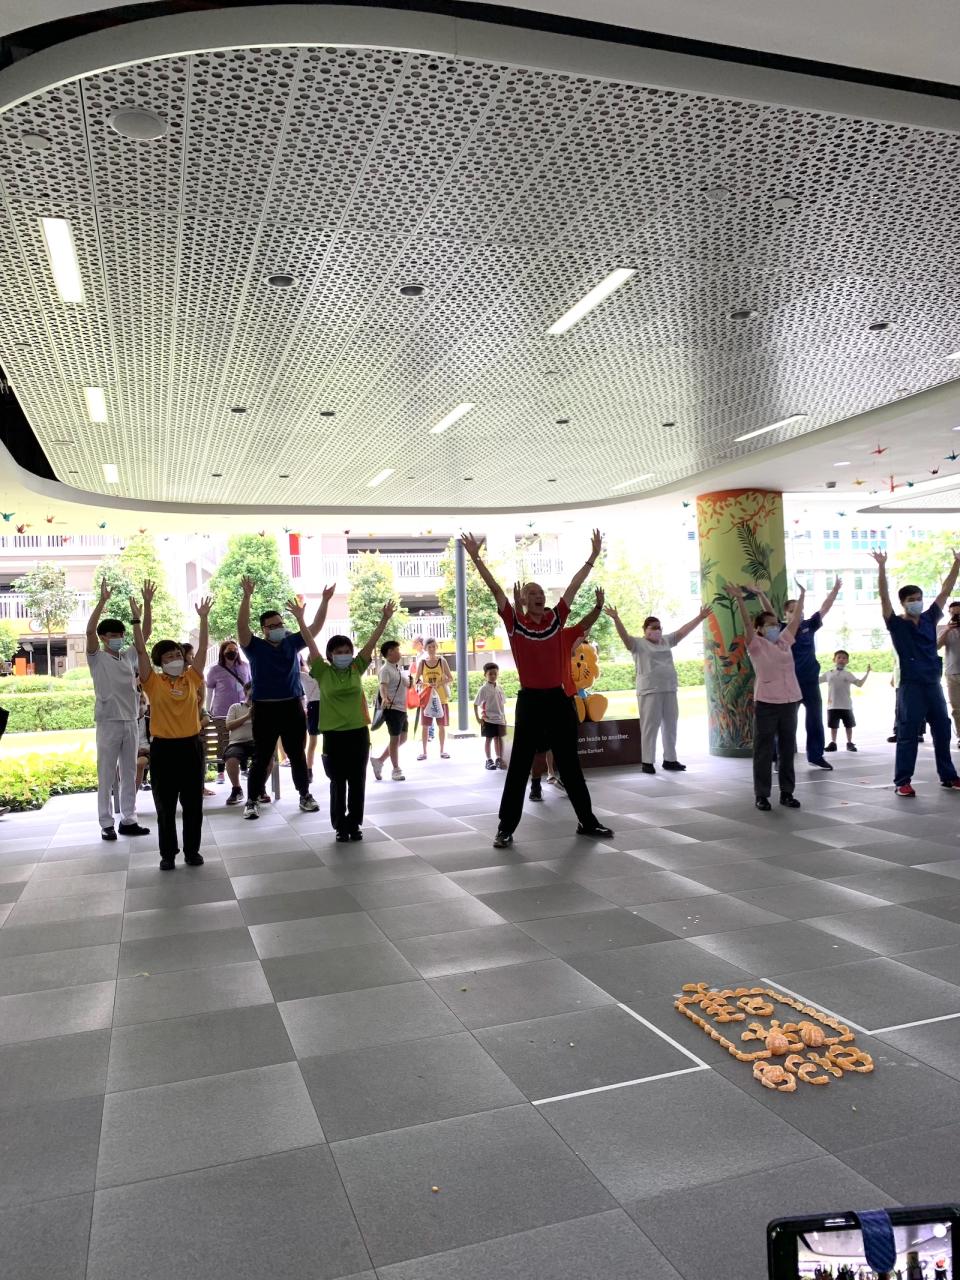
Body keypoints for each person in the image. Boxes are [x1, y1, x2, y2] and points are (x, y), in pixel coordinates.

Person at [462, 530, 613, 848]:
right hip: (530, 701)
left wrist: (592, 557)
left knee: (570, 764)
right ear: (523, 600)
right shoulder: (515, 623)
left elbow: (573, 586)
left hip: (558, 699)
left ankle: (587, 821)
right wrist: (476, 558)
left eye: (540, 591)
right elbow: (494, 589)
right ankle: (505, 828)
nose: (538, 595)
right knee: (518, 766)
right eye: (531, 593)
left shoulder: (557, 619)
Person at [871, 548, 960, 796]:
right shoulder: (896, 624)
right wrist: (881, 568)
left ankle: (949, 776)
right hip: (910, 686)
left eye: (919, 597)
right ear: (904, 603)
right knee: (908, 733)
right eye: (912, 599)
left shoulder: (930, 618)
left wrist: (957, 564)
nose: (917, 602)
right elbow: (883, 598)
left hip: (932, 683)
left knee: (942, 729)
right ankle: (902, 782)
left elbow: (945, 591)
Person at [237, 577, 326, 819]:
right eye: (272, 625)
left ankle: (304, 795)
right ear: (263, 629)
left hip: (292, 706)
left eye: (279, 623)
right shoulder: (252, 646)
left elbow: (315, 629)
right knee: (262, 757)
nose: (277, 628)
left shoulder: (291, 642)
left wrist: (325, 601)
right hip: (265, 709)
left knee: (296, 754)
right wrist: (247, 597)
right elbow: (242, 627)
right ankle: (252, 800)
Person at [305, 600, 395, 840]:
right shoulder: (322, 672)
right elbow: (310, 644)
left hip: (357, 733)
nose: (344, 656)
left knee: (357, 781)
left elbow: (372, 643)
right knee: (338, 782)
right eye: (339, 652)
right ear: (330, 655)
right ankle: (339, 827)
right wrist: (301, 621)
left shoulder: (357, 668)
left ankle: (354, 824)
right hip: (333, 736)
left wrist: (385, 619)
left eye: (347, 652)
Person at [133, 595, 210, 869]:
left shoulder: (191, 678)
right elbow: (140, 652)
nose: (176, 658)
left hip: (191, 747)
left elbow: (202, 652)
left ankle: (192, 851)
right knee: (165, 807)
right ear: (160, 661)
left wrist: (203, 618)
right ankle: (168, 854)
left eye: (178, 654)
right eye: (169, 656)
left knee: (193, 805)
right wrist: (137, 619)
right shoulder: (153, 682)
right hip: (164, 749)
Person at [606, 600, 713, 774]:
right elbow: (624, 636)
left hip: (669, 689)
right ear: (645, 630)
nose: (657, 630)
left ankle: (670, 759)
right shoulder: (638, 644)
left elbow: (683, 631)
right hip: (649, 691)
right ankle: (647, 761)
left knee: (671, 725)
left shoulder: (666, 641)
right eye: (653, 627)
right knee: (650, 726)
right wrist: (616, 619)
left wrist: (700, 617)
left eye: (659, 627)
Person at [85, 576, 154, 841]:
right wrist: (102, 601)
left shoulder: (127, 656)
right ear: (103, 638)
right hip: (108, 722)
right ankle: (105, 823)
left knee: (128, 772)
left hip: (130, 721)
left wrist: (146, 606)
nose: (118, 638)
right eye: (112, 635)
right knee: (106, 774)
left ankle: (128, 819)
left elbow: (144, 635)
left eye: (120, 635)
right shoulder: (97, 657)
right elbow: (89, 632)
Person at [726, 582, 805, 811]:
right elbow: (746, 624)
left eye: (775, 625)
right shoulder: (756, 644)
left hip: (790, 701)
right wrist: (740, 599)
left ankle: (787, 793)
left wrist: (801, 596)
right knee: (763, 750)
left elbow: (795, 619)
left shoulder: (784, 641)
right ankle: (762, 795)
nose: (774, 627)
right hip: (767, 703)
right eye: (768, 625)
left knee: (787, 748)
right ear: (759, 629)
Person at [750, 578, 840, 770]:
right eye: (791, 610)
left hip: (809, 682)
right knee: (784, 724)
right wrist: (760, 594)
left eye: (799, 609)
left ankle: (816, 755)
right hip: (788, 685)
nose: (796, 613)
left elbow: (825, 607)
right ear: (785, 614)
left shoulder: (809, 625)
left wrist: (835, 589)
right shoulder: (781, 629)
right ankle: (777, 757)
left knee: (815, 718)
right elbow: (769, 611)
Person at [206, 639, 250, 783]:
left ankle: (244, 768)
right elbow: (210, 690)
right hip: (222, 709)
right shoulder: (215, 669)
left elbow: (250, 686)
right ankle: (220, 772)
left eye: (235, 650)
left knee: (242, 738)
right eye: (229, 650)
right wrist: (208, 709)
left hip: (241, 709)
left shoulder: (245, 666)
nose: (233, 652)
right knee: (223, 740)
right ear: (223, 652)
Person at [371, 640, 409, 782]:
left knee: (403, 738)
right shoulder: (385, 670)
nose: (399, 652)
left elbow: (405, 684)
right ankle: (396, 769)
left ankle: (379, 761)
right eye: (397, 650)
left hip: (401, 709)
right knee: (395, 739)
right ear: (390, 652)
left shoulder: (396, 668)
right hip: (392, 709)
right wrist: (385, 697)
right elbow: (383, 686)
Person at [820, 651, 871, 751]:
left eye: (844, 658)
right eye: (839, 657)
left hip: (846, 705)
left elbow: (859, 684)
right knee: (833, 726)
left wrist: (867, 673)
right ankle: (833, 743)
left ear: (847, 661)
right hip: (832, 705)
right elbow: (817, 680)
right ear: (834, 660)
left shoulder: (848, 674)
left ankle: (849, 742)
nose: (841, 660)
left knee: (849, 725)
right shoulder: (829, 673)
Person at [223, 682, 260, 805]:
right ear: (245, 692)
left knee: (268, 758)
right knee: (231, 759)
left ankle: (260, 788)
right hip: (237, 743)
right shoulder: (235, 707)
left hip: (256, 741)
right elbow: (229, 725)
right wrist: (248, 716)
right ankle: (237, 789)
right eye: (252, 690)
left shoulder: (262, 707)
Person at [417, 638, 452, 760]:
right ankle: (424, 752)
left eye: (434, 647)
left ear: (437, 647)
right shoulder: (422, 662)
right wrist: (424, 684)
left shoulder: (442, 661)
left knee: (441, 725)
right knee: (425, 726)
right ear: (425, 648)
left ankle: (442, 751)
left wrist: (439, 683)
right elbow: (417, 680)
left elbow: (450, 678)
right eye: (429, 647)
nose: (431, 649)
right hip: (427, 698)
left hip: (440, 698)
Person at [474, 662, 507, 769]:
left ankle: (499, 758)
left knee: (499, 739)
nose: (493, 676)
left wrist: (504, 718)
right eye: (490, 674)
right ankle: (489, 760)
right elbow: (475, 704)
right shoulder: (483, 689)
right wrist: (479, 719)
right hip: (488, 720)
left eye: (495, 674)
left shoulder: (500, 688)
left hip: (500, 719)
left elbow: (502, 704)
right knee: (489, 739)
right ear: (485, 675)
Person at [938, 598, 960, 747]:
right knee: (956, 708)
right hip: (952, 674)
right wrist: (947, 630)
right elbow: (936, 646)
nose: (956, 617)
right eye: (953, 614)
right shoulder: (945, 629)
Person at [300, 657, 321, 782]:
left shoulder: (327, 675)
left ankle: (333, 766)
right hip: (313, 706)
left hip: (327, 706)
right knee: (313, 741)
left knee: (331, 737)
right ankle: (309, 770)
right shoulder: (304, 676)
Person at [135, 690, 151, 791]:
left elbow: (155, 741)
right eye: (138, 703)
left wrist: (147, 750)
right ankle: (123, 793)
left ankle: (133, 796)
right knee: (119, 767)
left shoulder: (150, 721)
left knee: (140, 763)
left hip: (146, 752)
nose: (141, 706)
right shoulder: (130, 723)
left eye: (143, 703)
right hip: (131, 751)